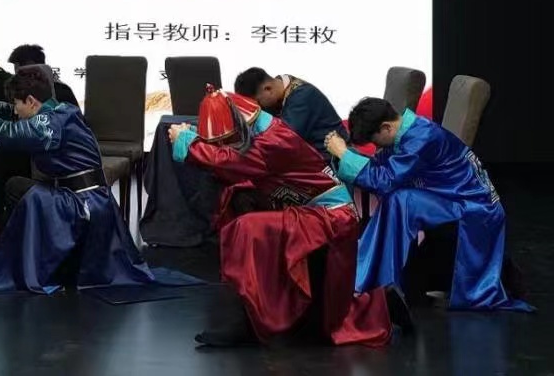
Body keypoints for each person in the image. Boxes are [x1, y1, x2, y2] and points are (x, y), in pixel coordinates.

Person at [168, 89, 398, 349]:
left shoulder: (273, 141)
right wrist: (193, 137)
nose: (225, 144)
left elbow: (230, 160)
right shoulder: (259, 130)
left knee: (246, 229)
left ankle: (246, 320)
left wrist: (187, 142)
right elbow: (231, 155)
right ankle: (251, 312)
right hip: (304, 208)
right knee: (234, 200)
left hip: (330, 215)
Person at [325, 97, 532, 312]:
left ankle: (376, 281)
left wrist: (344, 154)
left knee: (400, 200)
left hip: (474, 206)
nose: (376, 148)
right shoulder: (408, 133)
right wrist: (345, 154)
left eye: (374, 141)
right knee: (399, 200)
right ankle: (376, 279)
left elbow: (384, 180)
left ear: (386, 127)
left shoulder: (421, 137)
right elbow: (379, 168)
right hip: (451, 197)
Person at [0, 65, 155, 293]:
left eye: (17, 104)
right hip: (93, 199)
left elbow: (9, 134)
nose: (15, 110)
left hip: (79, 204)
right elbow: (16, 115)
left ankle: (46, 263)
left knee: (16, 188)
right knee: (22, 188)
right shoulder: (62, 111)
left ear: (31, 101)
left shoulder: (48, 125)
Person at [0, 45, 79, 227]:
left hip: (61, 176)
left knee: (7, 155)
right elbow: (11, 111)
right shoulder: (54, 96)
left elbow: (10, 131)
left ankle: (11, 222)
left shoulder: (50, 108)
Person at [233, 68, 345, 155]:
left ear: (268, 89)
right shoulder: (280, 88)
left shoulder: (302, 96)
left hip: (334, 159)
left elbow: (284, 141)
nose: (258, 109)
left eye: (258, 103)